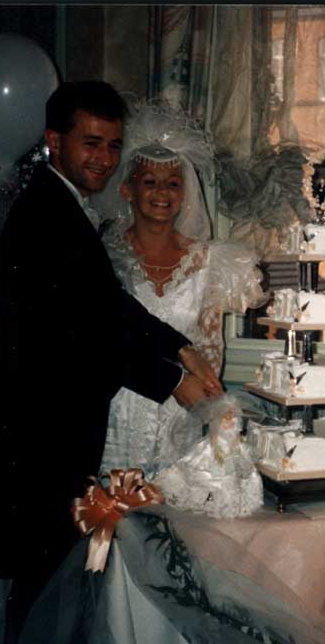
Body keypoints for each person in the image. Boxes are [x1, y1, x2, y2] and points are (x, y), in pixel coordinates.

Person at [0, 82, 221, 644]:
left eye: (112, 146)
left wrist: (179, 345)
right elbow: (80, 334)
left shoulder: (64, 206)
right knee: (42, 598)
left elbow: (108, 305)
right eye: (91, 143)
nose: (104, 160)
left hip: (55, 440)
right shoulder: (42, 215)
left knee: (62, 595)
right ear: (54, 140)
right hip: (37, 444)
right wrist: (172, 380)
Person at [96, 99, 266, 477]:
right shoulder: (101, 255)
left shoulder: (208, 262)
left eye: (173, 183)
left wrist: (203, 402)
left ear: (185, 192)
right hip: (114, 415)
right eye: (150, 182)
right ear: (127, 189)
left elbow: (209, 351)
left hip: (180, 417)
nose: (162, 192)